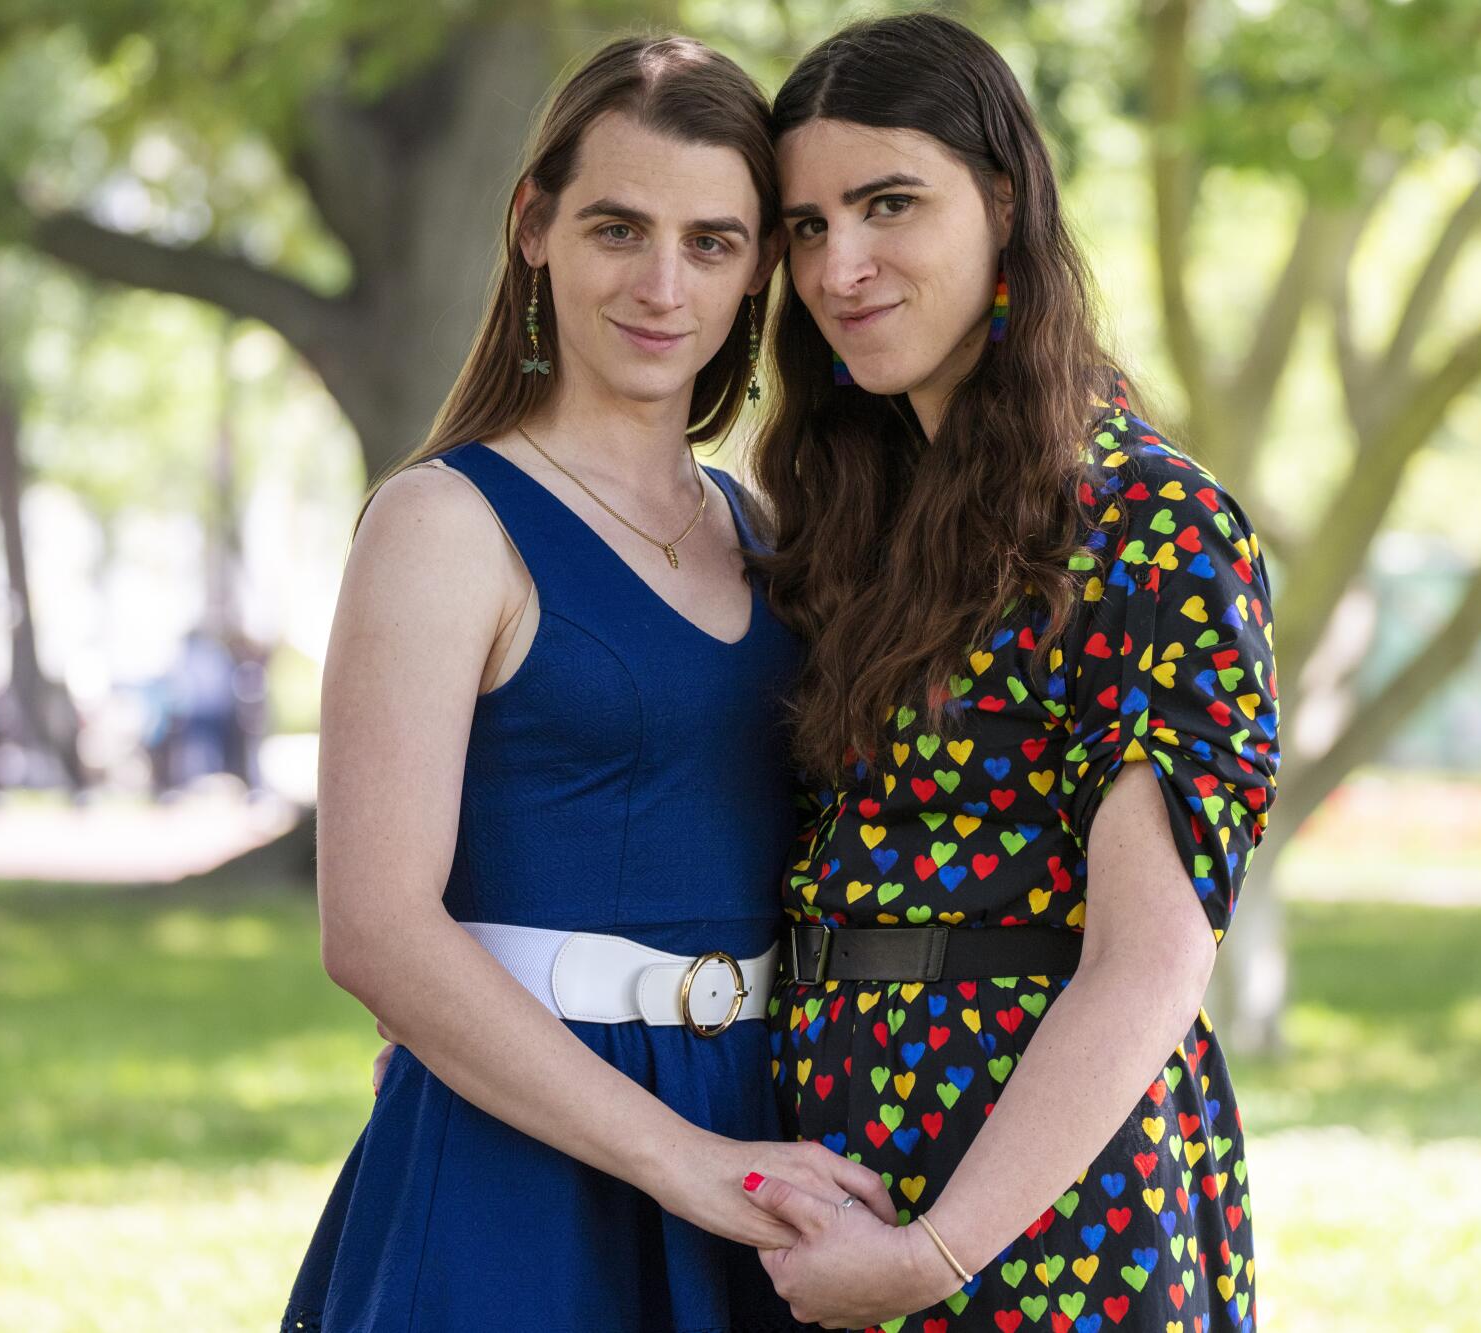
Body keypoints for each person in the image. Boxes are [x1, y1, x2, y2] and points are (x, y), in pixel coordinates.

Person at [280, 35, 892, 1333]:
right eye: (620, 227)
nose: (663, 284)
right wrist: (689, 1163)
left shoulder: (775, 535)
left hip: (755, 1130)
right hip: (514, 1167)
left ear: (761, 271)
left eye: (714, 241)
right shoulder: (444, 523)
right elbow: (375, 929)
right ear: (534, 224)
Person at [734, 15, 1279, 1331]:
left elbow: (1150, 962)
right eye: (805, 226)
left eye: (888, 205)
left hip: (1042, 1204)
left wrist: (935, 1252)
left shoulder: (1147, 522)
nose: (839, 266)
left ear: (1003, 199)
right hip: (831, 1169)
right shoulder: (839, 520)